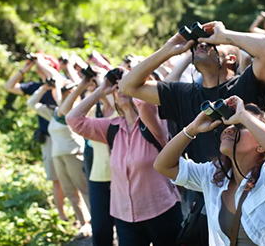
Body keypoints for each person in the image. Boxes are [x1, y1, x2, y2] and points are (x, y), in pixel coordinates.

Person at [119, 20, 265, 244]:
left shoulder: (244, 87)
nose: (201, 44)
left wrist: (223, 35)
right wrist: (170, 48)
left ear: (230, 59)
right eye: (199, 43)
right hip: (205, 194)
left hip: (253, 191)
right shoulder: (183, 94)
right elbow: (128, 86)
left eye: (211, 45)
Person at [153, 95, 265, 246]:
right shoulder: (213, 176)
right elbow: (163, 165)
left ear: (262, 145)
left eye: (239, 126)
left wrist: (242, 114)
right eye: (228, 125)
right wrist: (192, 128)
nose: (229, 129)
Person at [66, 74, 183, 246]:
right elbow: (73, 119)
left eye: (126, 87)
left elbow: (145, 103)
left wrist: (135, 79)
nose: (122, 90)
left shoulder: (153, 122)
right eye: (118, 88)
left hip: (161, 211)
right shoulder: (111, 127)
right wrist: (100, 91)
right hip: (125, 216)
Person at [28, 54, 91, 238]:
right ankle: (83, 223)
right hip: (58, 155)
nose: (63, 94)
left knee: (84, 188)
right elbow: (32, 103)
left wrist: (57, 83)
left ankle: (98, 222)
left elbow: (63, 94)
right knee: (70, 191)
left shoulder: (73, 110)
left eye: (66, 92)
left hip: (73, 152)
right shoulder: (54, 112)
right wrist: (43, 88)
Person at [3, 53, 67, 221]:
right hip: (48, 139)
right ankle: (62, 216)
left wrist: (42, 62)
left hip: (66, 137)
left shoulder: (63, 84)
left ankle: (82, 215)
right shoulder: (37, 88)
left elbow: (57, 77)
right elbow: (9, 86)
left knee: (73, 177)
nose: (38, 67)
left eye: (42, 64)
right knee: (56, 179)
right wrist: (24, 69)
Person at [60, 61, 116, 246]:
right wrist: (82, 84)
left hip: (123, 176)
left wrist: (103, 83)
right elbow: (64, 112)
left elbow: (114, 113)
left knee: (127, 229)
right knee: (100, 230)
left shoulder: (123, 109)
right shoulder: (92, 110)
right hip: (98, 177)